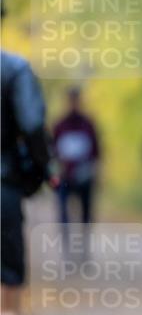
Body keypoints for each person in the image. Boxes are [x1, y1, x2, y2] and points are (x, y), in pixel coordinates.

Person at [1, 46, 53, 315]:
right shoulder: (14, 67)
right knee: (6, 309)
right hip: (3, 190)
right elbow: (32, 124)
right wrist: (46, 169)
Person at [52, 86, 100, 257]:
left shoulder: (88, 124)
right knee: (63, 213)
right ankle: (67, 251)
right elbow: (52, 151)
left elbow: (96, 151)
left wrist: (93, 171)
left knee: (86, 213)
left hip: (84, 177)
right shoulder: (59, 125)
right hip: (64, 177)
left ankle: (84, 249)